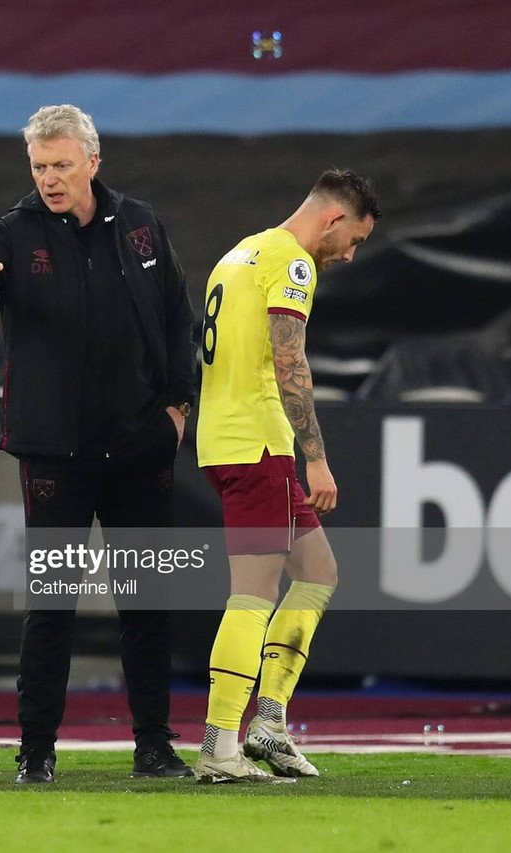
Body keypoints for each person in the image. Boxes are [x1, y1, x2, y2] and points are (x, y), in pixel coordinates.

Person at [0, 105, 196, 783]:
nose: (49, 178)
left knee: (145, 600)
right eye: (39, 166)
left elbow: (176, 313)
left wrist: (177, 408)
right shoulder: (17, 232)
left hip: (140, 446)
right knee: (52, 603)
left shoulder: (140, 223)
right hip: (56, 452)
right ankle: (37, 751)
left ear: (92, 162)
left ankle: (154, 745)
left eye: (60, 165)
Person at [194, 169, 380, 782]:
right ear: (332, 218)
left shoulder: (239, 253)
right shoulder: (291, 264)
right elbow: (288, 357)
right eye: (352, 239)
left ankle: (268, 724)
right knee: (252, 594)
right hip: (259, 445)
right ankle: (220, 746)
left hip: (228, 440)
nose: (350, 255)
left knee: (319, 571)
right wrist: (316, 456)